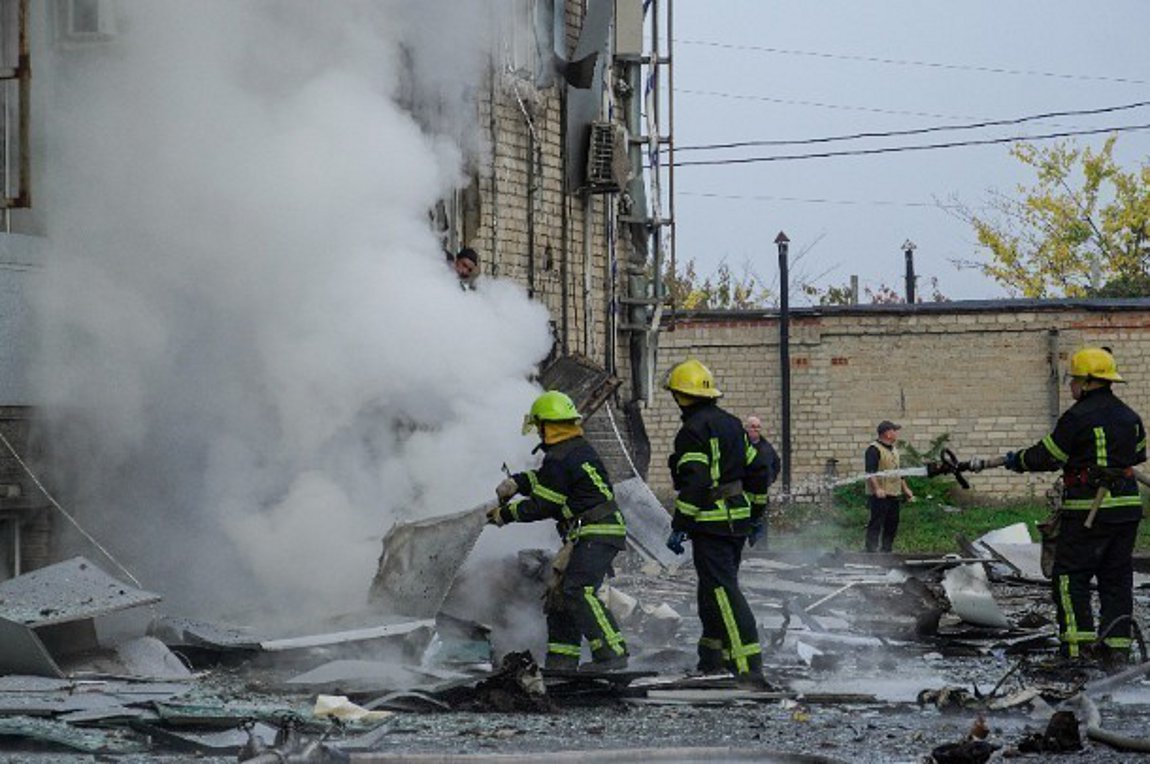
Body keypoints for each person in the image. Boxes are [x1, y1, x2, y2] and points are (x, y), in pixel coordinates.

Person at [999, 347, 1145, 666]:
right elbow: (1138, 455)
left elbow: (1048, 456)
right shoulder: (1130, 417)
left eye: (1074, 380)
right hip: (1127, 509)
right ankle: (1116, 650)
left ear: (1089, 382)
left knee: (1070, 577)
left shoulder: (1077, 417)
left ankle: (1078, 652)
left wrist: (1017, 460)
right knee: (1116, 577)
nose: (1071, 386)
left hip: (1088, 511)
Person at [487, 390, 629, 671]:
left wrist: (504, 514)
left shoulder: (562, 457)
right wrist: (517, 482)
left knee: (579, 591)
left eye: (539, 427)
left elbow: (543, 505)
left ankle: (613, 655)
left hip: (596, 532)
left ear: (546, 426)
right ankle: (562, 661)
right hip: (591, 532)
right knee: (560, 597)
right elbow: (547, 480)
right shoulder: (573, 450)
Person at [664, 359, 773, 687]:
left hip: (711, 524)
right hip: (736, 522)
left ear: (680, 396)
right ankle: (711, 658)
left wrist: (680, 522)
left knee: (723, 591)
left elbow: (695, 481)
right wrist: (755, 515)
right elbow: (758, 471)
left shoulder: (692, 431)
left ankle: (747, 664)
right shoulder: (732, 424)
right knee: (712, 589)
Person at [863, 421, 915, 553]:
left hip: (894, 493)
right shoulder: (873, 449)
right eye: (894, 430)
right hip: (879, 495)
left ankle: (886, 551)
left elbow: (898, 472)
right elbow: (870, 472)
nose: (896, 433)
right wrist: (877, 489)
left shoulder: (894, 450)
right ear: (887, 433)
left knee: (892, 524)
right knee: (876, 523)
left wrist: (905, 489)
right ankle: (871, 551)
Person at [744, 415, 781, 548]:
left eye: (758, 427)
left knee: (760, 523)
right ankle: (743, 552)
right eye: (753, 427)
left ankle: (761, 550)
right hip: (744, 495)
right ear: (746, 428)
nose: (756, 430)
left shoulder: (766, 447)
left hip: (761, 496)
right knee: (743, 524)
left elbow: (776, 463)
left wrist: (770, 479)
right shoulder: (741, 446)